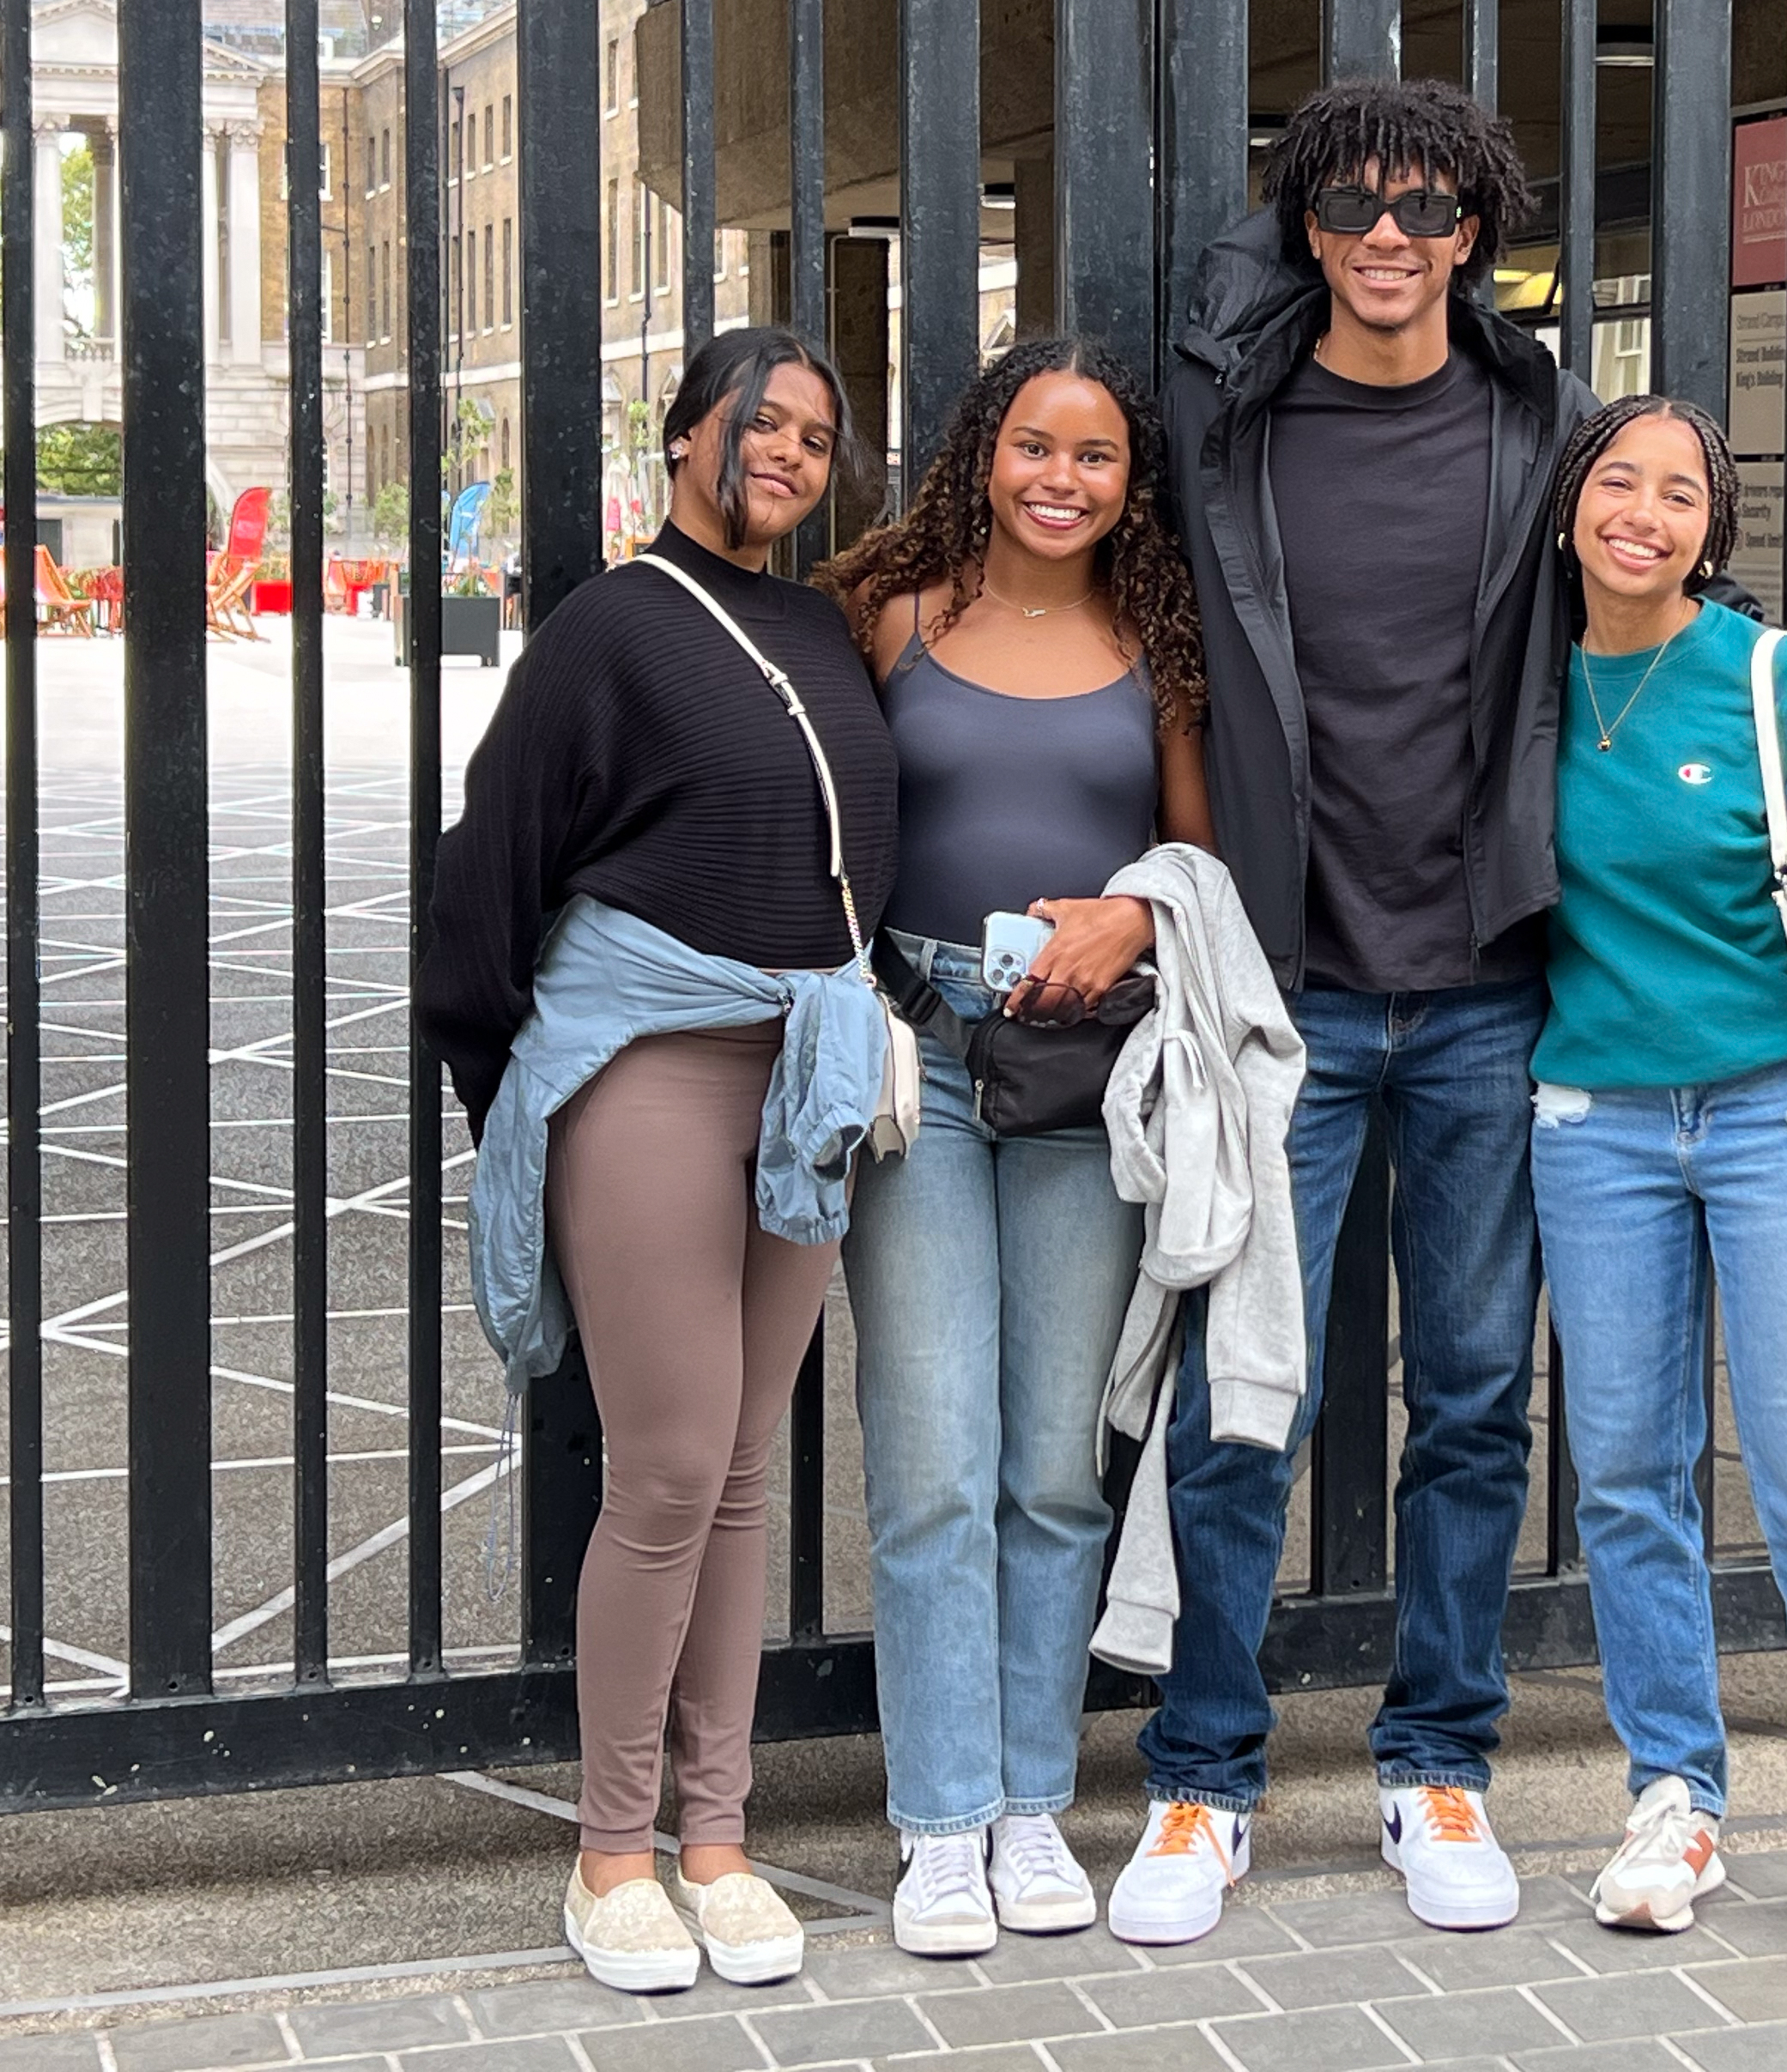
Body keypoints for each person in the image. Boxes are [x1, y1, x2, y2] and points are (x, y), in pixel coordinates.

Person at [1112, 77, 1787, 1944]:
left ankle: (1437, 1765)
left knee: (1476, 1405)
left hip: (1495, 1001)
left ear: (1479, 235)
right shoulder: (1219, 424)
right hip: (1286, 994)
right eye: (1349, 206)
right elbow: (1066, 545)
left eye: (1427, 209)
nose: (1388, 238)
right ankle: (1203, 1779)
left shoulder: (1544, 426)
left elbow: (1683, 595)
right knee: (1250, 1398)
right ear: (1302, 225)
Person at [421, 326, 892, 1998]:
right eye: (760, 422)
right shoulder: (615, 626)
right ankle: (611, 1853)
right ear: (688, 433)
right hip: (647, 1075)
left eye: (818, 435)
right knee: (673, 1464)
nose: (788, 452)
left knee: (747, 1467)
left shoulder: (821, 622)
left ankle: (719, 1838)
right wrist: (524, 1100)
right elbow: (487, 869)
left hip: (801, 1080)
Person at [814, 337, 1226, 1958]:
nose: (1063, 480)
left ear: (1132, 482)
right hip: (921, 1065)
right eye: (1036, 447)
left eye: (1099, 457)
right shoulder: (889, 609)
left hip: (1091, 1078)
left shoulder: (1157, 640)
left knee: (1055, 1470)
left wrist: (1133, 910)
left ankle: (1032, 1806)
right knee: (930, 1462)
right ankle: (936, 1826)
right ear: (984, 450)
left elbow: (1197, 856)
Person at [1530, 396, 1787, 1972]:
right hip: (1596, 1128)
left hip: (1786, 1118)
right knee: (1629, 1479)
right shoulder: (1519, 679)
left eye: (1682, 492)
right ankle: (1673, 1798)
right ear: (1571, 502)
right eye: (1617, 481)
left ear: (1718, 530)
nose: (1644, 512)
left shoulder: (1774, 681)